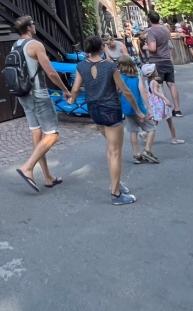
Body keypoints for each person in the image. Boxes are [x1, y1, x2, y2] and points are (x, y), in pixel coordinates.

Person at [68, 36, 146, 205]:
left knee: (110, 149)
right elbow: (125, 91)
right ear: (102, 48)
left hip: (94, 110)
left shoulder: (81, 66)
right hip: (111, 110)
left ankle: (116, 182)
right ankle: (116, 193)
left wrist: (71, 101)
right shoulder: (110, 66)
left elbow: (75, 89)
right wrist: (138, 111)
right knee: (115, 151)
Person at [13, 16, 71, 192]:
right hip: (38, 94)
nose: (35, 26)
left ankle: (47, 176)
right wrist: (65, 90)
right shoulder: (36, 45)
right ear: (29, 28)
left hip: (23, 94)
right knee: (53, 135)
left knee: (38, 136)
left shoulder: (15, 45)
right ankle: (28, 167)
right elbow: (51, 73)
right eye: (33, 24)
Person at [116, 55, 157, 164]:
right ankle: (147, 150)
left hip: (126, 108)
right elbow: (143, 92)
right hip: (138, 107)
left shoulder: (119, 77)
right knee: (151, 128)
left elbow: (117, 92)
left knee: (133, 130)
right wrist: (149, 108)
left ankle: (136, 155)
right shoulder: (136, 76)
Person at [144, 11, 182, 116]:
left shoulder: (151, 31)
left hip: (157, 61)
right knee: (171, 84)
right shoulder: (165, 29)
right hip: (167, 60)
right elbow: (171, 43)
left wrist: (145, 47)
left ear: (149, 20)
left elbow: (152, 48)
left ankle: (165, 109)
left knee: (158, 86)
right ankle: (177, 109)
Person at [146, 65, 183, 144]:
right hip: (160, 103)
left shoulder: (148, 81)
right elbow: (156, 92)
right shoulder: (155, 82)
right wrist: (165, 99)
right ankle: (174, 139)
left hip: (154, 104)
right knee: (169, 120)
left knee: (156, 120)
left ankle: (146, 134)